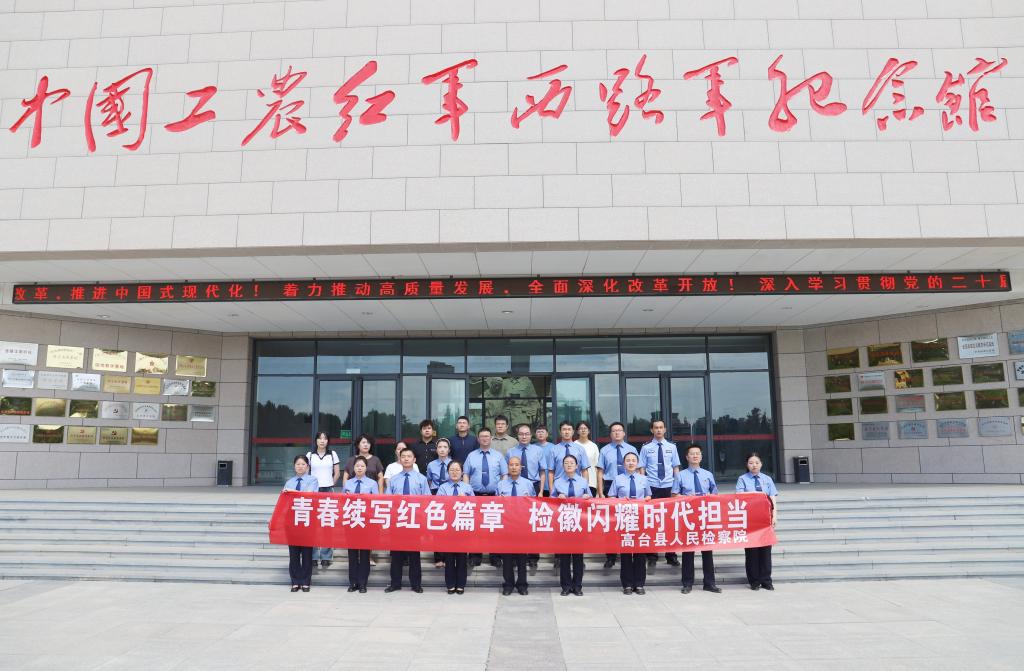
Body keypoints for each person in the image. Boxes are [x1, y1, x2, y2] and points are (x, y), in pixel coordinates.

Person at [673, 443, 721, 594]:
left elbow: (715, 494)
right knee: (688, 552)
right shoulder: (680, 475)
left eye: (697, 453)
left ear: (701, 456)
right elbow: (674, 495)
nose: (695, 456)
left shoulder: (708, 474)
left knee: (707, 552)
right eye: (692, 454)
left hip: (705, 516)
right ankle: (687, 583)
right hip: (688, 517)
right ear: (687, 457)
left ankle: (710, 583)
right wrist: (687, 498)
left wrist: (709, 497)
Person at [384, 446, 430, 593]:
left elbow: (427, 501)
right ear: (400, 459)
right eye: (403, 456)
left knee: (414, 555)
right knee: (396, 554)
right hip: (398, 521)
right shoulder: (394, 479)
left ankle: (416, 584)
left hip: (415, 521)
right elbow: (388, 500)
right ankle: (395, 583)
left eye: (409, 456)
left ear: (414, 459)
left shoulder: (421, 479)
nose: (406, 459)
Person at [462, 427, 508, 567]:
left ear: (491, 438)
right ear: (478, 439)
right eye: (482, 436)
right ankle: (475, 556)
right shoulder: (471, 456)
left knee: (494, 527)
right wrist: (467, 492)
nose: (484, 439)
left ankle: (496, 557)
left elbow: (504, 474)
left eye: (487, 436)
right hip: (475, 496)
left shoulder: (498, 456)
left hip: (494, 496)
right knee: (475, 527)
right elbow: (466, 474)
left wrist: (502, 492)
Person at [607, 452, 652, 594]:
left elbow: (649, 496)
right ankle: (627, 584)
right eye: (628, 460)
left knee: (640, 552)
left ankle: (639, 584)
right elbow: (611, 497)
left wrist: (646, 499)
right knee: (626, 552)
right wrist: (620, 501)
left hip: (640, 518)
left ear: (637, 463)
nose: (631, 463)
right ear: (623, 464)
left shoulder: (644, 479)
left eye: (633, 460)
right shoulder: (618, 479)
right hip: (624, 518)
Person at [639, 419, 681, 567]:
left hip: (668, 487)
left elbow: (675, 468)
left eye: (661, 427)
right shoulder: (646, 448)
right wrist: (644, 488)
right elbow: (642, 468)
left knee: (670, 521)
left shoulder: (672, 447)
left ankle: (671, 555)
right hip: (652, 487)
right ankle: (652, 554)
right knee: (651, 521)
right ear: (652, 430)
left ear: (665, 429)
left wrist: (677, 487)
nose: (658, 430)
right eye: (656, 428)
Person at [596, 421, 638, 568]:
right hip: (610, 486)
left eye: (619, 430)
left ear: (624, 433)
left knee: (631, 520)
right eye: (614, 431)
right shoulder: (605, 450)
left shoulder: (632, 449)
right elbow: (600, 472)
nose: (617, 433)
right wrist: (600, 492)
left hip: (629, 486)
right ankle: (611, 555)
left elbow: (639, 469)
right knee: (612, 522)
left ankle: (632, 550)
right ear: (610, 434)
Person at [736, 452, 778, 591]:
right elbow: (739, 497)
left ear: (761, 464)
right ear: (747, 465)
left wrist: (774, 516)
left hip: (765, 519)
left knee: (766, 551)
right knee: (752, 551)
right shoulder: (742, 479)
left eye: (757, 463)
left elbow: (773, 498)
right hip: (750, 519)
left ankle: (766, 580)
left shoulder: (767, 479)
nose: (754, 465)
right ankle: (754, 581)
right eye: (751, 463)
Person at [551, 454, 591, 596]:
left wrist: (587, 497)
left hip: (579, 523)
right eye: (566, 463)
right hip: (564, 523)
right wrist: (557, 498)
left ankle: (578, 586)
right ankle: (566, 586)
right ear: (563, 466)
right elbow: (550, 501)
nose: (569, 465)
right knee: (565, 558)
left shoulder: (583, 482)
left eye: (572, 463)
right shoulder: (557, 482)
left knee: (578, 558)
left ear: (577, 465)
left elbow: (591, 499)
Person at [496, 455, 535, 594]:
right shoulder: (501, 484)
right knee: (506, 557)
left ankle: (522, 585)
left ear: (521, 467)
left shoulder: (528, 484)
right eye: (511, 465)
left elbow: (533, 504)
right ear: (508, 467)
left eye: (516, 465)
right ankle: (508, 584)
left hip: (522, 525)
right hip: (506, 525)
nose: (513, 467)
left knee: (522, 557)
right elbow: (496, 505)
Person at [283, 455, 320, 592]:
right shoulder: (289, 482)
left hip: (307, 520)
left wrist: (293, 493)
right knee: (293, 554)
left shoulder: (313, 480)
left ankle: (305, 581)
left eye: (303, 464)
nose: (300, 466)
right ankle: (295, 581)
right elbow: (284, 501)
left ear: (307, 467)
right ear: (294, 466)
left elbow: (309, 495)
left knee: (306, 553)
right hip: (292, 520)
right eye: (298, 464)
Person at [340, 455, 377, 593]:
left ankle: (362, 583)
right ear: (353, 468)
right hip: (351, 522)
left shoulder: (372, 483)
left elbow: (376, 502)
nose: (359, 468)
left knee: (365, 555)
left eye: (362, 466)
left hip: (366, 523)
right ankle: (353, 582)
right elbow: (342, 501)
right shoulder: (348, 483)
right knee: (352, 555)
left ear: (366, 468)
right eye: (357, 466)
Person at [437, 461, 474, 594]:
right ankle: (450, 584)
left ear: (462, 472)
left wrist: (466, 499)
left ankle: (461, 584)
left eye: (457, 470)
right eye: (452, 470)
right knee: (449, 557)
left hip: (463, 526)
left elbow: (475, 506)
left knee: (462, 558)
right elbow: (438, 505)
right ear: (448, 472)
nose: (454, 472)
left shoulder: (467, 488)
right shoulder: (443, 488)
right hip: (448, 527)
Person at [306, 431, 340, 569]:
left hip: (328, 490)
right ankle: (313, 556)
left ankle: (326, 556)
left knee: (327, 524)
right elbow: (306, 473)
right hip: (313, 491)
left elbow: (337, 472)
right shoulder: (310, 455)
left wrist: (331, 484)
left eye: (325, 439)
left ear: (328, 441)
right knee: (313, 524)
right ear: (315, 441)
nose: (322, 441)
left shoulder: (332, 454)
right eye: (320, 438)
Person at [426, 438, 454, 567]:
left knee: (449, 527)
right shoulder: (431, 465)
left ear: (449, 450)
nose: (442, 449)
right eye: (440, 447)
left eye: (445, 447)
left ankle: (448, 557)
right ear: (436, 450)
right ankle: (438, 558)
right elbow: (429, 481)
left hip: (450, 494)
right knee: (437, 526)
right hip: (435, 494)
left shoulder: (453, 464)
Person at [545, 420, 590, 494]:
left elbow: (584, 470)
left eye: (569, 429)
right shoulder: (554, 450)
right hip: (559, 487)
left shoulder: (580, 449)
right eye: (564, 429)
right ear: (560, 432)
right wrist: (551, 490)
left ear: (573, 432)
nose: (566, 432)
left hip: (577, 487)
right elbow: (551, 472)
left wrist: (585, 489)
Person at [509, 424, 544, 494]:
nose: (524, 437)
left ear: (531, 435)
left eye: (527, 434)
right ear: (517, 435)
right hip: (515, 485)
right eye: (521, 434)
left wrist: (541, 491)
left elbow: (542, 472)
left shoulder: (538, 450)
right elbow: (507, 472)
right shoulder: (510, 452)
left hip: (534, 485)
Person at [575, 421, 600, 497]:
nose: (583, 430)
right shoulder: (574, 445)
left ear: (589, 431)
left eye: (585, 428)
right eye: (581, 428)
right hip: (575, 482)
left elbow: (597, 467)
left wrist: (598, 489)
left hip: (591, 483)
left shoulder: (593, 446)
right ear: (577, 431)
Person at [532, 425, 555, 494]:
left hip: (550, 481)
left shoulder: (553, 447)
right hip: (536, 482)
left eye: (542, 432)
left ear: (547, 434)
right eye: (538, 432)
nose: (540, 434)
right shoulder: (532, 448)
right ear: (535, 434)